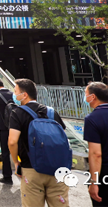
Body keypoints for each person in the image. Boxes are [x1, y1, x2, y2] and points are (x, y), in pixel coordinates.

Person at [8, 78, 69, 207]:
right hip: (57, 168)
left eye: (15, 91)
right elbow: (63, 137)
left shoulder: (17, 113)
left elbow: (12, 142)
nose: (14, 94)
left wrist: (16, 162)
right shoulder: (51, 112)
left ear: (24, 95)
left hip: (31, 168)